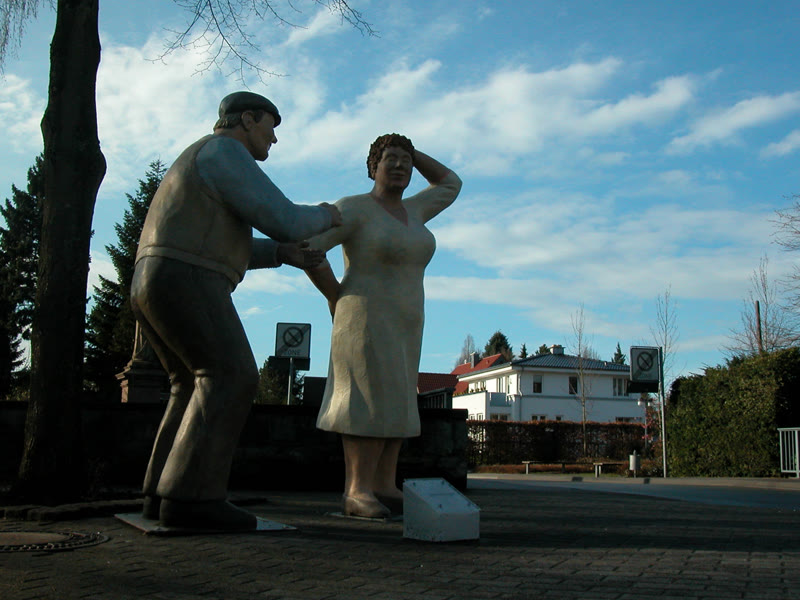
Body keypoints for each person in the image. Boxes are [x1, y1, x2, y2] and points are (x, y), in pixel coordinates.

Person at [131, 91, 341, 530]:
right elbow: (285, 218)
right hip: (188, 277)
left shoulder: (202, 157)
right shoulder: (225, 152)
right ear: (247, 119)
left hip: (155, 279)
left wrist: (280, 254)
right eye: (270, 127)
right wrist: (328, 214)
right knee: (230, 376)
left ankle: (160, 494)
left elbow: (223, 238)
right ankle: (193, 500)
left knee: (188, 384)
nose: (273, 139)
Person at [305, 133, 461, 518]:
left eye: (405, 161)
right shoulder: (354, 208)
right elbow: (311, 248)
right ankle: (356, 490)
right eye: (390, 158)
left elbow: (451, 184)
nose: (400, 166)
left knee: (398, 399)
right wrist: (335, 295)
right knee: (366, 399)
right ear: (373, 166)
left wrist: (411, 149)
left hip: (407, 323)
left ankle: (383, 484)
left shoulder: (416, 209)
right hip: (363, 319)